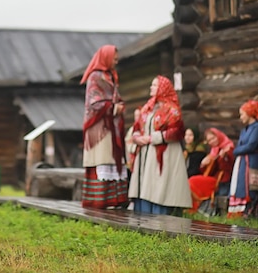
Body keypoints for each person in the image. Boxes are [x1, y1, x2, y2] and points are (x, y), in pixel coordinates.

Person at [128, 75, 192, 215]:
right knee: (145, 185)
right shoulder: (148, 107)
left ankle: (161, 217)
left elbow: (176, 132)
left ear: (163, 88)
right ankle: (142, 216)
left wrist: (153, 138)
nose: (151, 87)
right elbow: (138, 125)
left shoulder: (172, 109)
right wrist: (137, 137)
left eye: (155, 85)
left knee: (159, 186)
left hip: (165, 153)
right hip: (145, 153)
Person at [80, 45, 128, 209]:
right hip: (99, 128)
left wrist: (119, 105)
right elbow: (94, 103)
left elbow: (114, 97)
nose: (116, 62)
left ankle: (114, 200)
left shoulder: (111, 75)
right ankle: (99, 200)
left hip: (112, 126)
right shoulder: (95, 76)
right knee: (102, 160)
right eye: (114, 59)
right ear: (106, 58)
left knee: (112, 160)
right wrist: (113, 107)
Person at [228, 100, 258, 218]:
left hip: (253, 160)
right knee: (242, 184)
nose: (241, 117)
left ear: (249, 113)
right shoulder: (245, 130)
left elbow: (251, 145)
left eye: (242, 114)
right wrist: (239, 149)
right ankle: (243, 210)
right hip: (243, 160)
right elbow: (241, 144)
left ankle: (253, 210)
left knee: (252, 185)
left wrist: (236, 151)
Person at [187, 127, 234, 216]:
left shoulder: (228, 147)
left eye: (213, 138)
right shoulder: (214, 150)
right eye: (209, 140)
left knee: (193, 181)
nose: (212, 141)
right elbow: (209, 170)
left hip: (223, 179)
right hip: (214, 177)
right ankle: (191, 208)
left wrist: (223, 157)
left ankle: (195, 208)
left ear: (218, 136)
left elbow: (227, 167)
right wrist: (203, 164)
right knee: (192, 181)